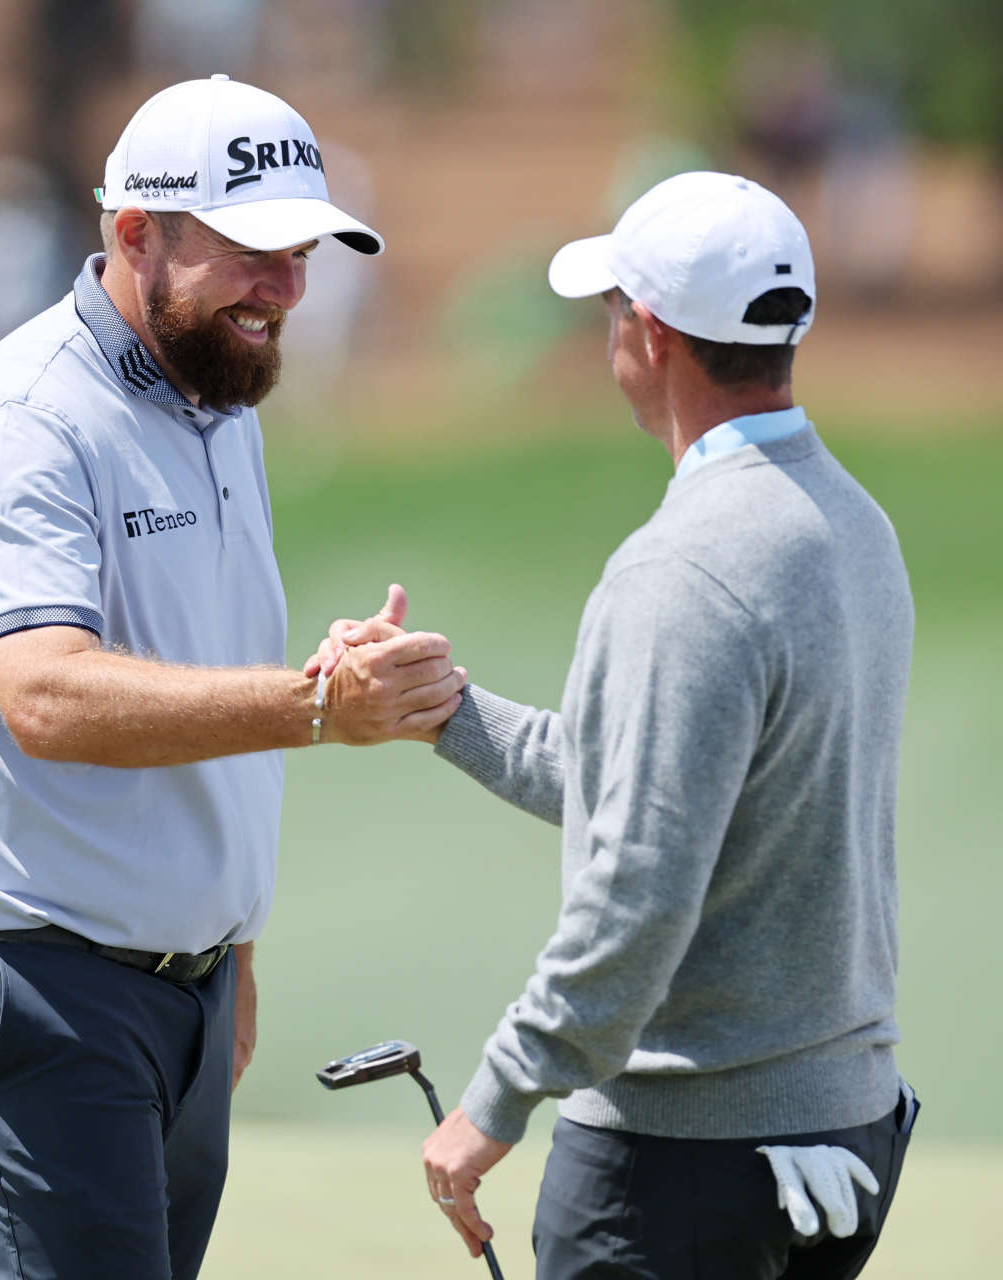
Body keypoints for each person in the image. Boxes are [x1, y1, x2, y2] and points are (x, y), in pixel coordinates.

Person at [0, 75, 465, 1280]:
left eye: (302, 254)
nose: (287, 289)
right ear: (137, 232)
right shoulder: (26, 420)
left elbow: (194, 661)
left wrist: (226, 944)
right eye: (253, 252)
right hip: (29, 979)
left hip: (175, 992)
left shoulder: (217, 398)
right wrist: (315, 706)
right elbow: (45, 694)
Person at [315, 172, 918, 1279]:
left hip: (683, 1167)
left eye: (609, 313)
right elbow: (657, 784)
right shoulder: (854, 525)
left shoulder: (682, 569)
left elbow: (636, 888)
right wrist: (443, 708)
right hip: (843, 1134)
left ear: (650, 332)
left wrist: (495, 1101)